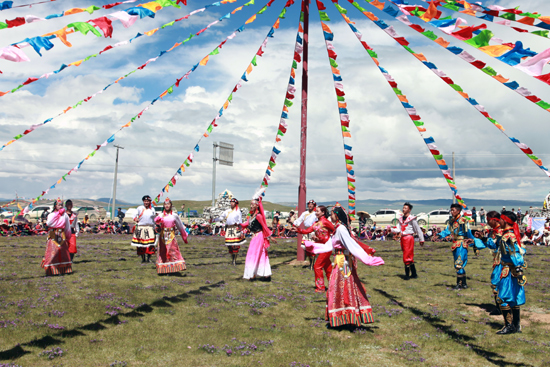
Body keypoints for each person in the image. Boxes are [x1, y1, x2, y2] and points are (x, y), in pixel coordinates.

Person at [324, 206, 384, 328]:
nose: (330, 216)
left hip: (343, 263)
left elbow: (352, 246)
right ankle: (343, 317)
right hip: (339, 261)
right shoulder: (337, 229)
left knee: (343, 288)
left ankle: (346, 317)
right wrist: (311, 246)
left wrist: (367, 259)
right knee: (339, 288)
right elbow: (328, 246)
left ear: (337, 215)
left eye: (332, 214)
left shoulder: (341, 229)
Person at [493, 211, 526, 334]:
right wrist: (482, 239)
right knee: (514, 298)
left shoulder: (509, 237)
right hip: (511, 270)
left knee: (503, 297)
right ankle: (516, 326)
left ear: (505, 221)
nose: (498, 222)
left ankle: (509, 326)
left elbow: (515, 253)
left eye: (500, 219)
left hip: (509, 270)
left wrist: (518, 268)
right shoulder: (506, 235)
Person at [439, 204, 483, 290]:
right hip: (455, 244)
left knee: (459, 263)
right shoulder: (452, 221)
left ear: (458, 211)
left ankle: (459, 284)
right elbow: (448, 231)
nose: (451, 212)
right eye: (451, 210)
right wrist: (439, 235)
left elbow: (469, 232)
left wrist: (474, 243)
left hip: (462, 244)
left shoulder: (463, 221)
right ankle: (464, 283)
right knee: (458, 264)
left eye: (453, 210)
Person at [296, 205, 335, 292]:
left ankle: (320, 287)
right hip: (320, 248)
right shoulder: (316, 223)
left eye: (318, 211)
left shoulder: (326, 222)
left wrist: (321, 239)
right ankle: (334, 286)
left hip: (326, 247)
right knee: (327, 267)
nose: (316, 213)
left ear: (323, 212)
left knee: (317, 266)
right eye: (315, 211)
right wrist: (297, 230)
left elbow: (335, 231)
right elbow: (307, 231)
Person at [240, 191, 273, 281]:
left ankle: (252, 274)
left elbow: (264, 227)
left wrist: (270, 236)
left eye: (253, 204)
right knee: (259, 254)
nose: (251, 206)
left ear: (257, 205)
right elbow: (246, 224)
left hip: (259, 236)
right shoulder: (251, 215)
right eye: (251, 204)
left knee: (253, 254)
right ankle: (264, 274)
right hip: (254, 237)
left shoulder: (258, 216)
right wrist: (238, 224)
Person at [475, 211, 503, 314]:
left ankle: (502, 308)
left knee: (498, 283)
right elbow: (490, 245)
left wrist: (483, 238)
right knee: (495, 283)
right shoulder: (493, 231)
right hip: (497, 260)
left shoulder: (501, 231)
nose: (487, 222)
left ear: (494, 219)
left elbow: (495, 245)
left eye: (488, 220)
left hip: (502, 261)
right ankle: (499, 307)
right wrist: (479, 239)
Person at [391, 202, 424, 280]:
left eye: (405, 208)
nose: (403, 209)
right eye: (403, 207)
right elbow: (398, 229)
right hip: (403, 238)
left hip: (409, 237)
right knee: (408, 255)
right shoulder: (401, 219)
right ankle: (414, 273)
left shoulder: (412, 219)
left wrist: (421, 239)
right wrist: (391, 229)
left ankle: (407, 275)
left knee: (406, 255)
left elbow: (417, 229)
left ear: (409, 210)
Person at [154, 198, 188, 275]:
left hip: (171, 235)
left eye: (168, 204)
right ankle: (163, 269)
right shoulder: (160, 215)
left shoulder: (174, 215)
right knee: (163, 252)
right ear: (163, 205)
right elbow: (156, 224)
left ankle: (172, 268)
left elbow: (180, 226)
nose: (167, 206)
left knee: (172, 251)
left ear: (171, 205)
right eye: (165, 204)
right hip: (163, 235)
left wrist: (184, 236)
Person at [41, 199, 72, 276]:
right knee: (52, 253)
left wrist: (68, 236)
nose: (60, 206)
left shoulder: (65, 215)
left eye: (61, 205)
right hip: (53, 234)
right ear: (55, 206)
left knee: (63, 253)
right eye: (59, 205)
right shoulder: (51, 215)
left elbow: (67, 227)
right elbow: (49, 223)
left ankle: (64, 270)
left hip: (62, 234)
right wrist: (57, 214)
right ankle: (51, 270)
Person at [212, 197, 245, 266]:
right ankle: (232, 259)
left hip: (235, 228)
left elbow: (240, 221)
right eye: (231, 202)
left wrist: (241, 231)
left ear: (236, 204)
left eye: (233, 202)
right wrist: (213, 220)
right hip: (229, 228)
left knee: (235, 245)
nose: (231, 203)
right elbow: (221, 217)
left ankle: (234, 260)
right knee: (229, 245)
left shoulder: (238, 212)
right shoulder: (227, 211)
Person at [131, 195, 157, 263]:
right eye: (145, 201)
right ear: (143, 201)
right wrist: (135, 218)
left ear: (150, 202)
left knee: (150, 244)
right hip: (141, 227)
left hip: (150, 228)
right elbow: (133, 215)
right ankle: (143, 259)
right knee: (141, 244)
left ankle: (148, 258)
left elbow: (154, 219)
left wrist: (155, 227)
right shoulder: (140, 208)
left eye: (147, 201)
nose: (146, 202)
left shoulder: (152, 209)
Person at [294, 200, 318, 270]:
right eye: (309, 204)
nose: (310, 206)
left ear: (314, 206)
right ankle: (310, 264)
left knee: (312, 248)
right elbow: (299, 220)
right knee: (306, 248)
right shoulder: (304, 213)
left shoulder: (315, 214)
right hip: (306, 231)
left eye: (311, 204)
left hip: (313, 231)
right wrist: (294, 224)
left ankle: (313, 264)